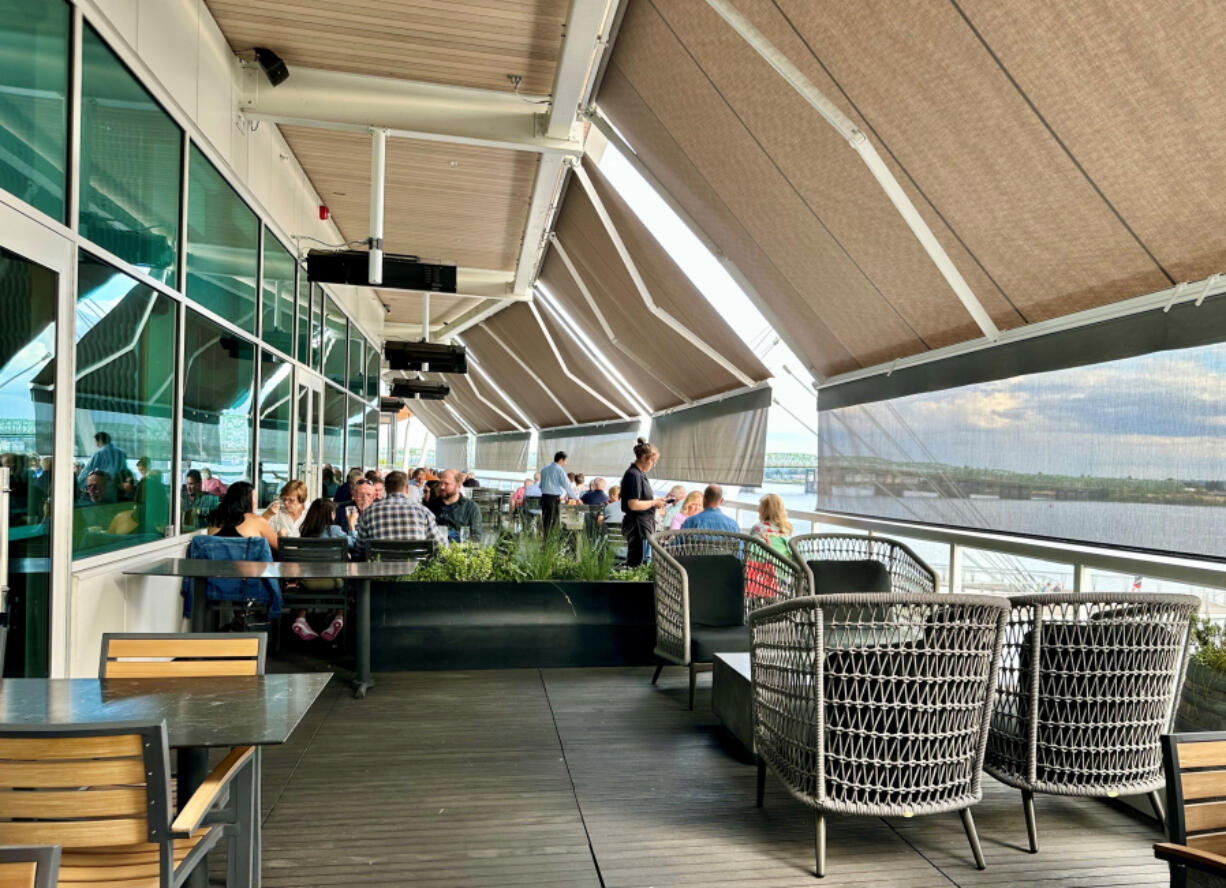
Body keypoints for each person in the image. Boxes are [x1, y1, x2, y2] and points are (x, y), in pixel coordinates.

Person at [290, 498, 351, 642]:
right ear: (331, 514)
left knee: (310, 575)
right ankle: (339, 616)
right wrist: (352, 526)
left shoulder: (305, 533)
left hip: (308, 583)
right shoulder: (334, 531)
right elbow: (353, 543)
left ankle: (300, 618)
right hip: (334, 583)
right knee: (344, 579)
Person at [353, 470, 448, 558]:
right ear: (407, 489)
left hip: (379, 572)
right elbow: (441, 546)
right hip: (414, 573)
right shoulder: (423, 512)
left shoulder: (369, 512)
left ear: (386, 489)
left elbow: (360, 547)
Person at [620, 439, 665, 567]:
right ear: (645, 458)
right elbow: (633, 504)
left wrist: (656, 502)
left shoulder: (639, 474)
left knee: (639, 562)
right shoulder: (634, 475)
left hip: (641, 524)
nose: (653, 465)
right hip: (637, 525)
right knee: (636, 563)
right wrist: (654, 502)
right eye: (653, 462)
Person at [206, 481, 279, 552]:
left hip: (216, 563)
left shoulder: (215, 520)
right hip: (249, 564)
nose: (257, 501)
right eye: (255, 497)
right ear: (246, 500)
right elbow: (280, 547)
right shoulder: (257, 521)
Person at [427, 469, 481, 542]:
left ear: (458, 486)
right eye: (440, 483)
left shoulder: (471, 508)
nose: (442, 487)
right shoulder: (430, 506)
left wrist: (453, 536)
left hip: (459, 552)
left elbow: (475, 538)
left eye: (446, 484)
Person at [77, 431, 127, 496]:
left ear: (100, 440)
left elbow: (87, 470)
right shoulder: (121, 453)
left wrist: (77, 484)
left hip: (104, 487)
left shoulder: (99, 453)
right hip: (118, 487)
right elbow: (125, 470)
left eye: (95, 441)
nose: (96, 444)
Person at [751, 493, 793, 557]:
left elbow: (750, 552)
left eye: (760, 506)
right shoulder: (787, 528)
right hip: (785, 565)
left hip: (764, 565)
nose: (758, 509)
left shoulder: (758, 528)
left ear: (766, 510)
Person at [539, 452, 568, 535]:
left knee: (545, 522)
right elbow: (567, 487)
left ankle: (546, 543)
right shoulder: (560, 470)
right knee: (554, 523)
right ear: (561, 460)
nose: (566, 463)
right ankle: (551, 544)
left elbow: (541, 486)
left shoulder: (544, 469)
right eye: (565, 461)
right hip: (554, 499)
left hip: (544, 498)